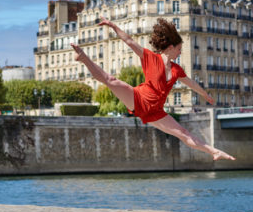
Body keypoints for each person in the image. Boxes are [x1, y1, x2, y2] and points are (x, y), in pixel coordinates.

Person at [71, 16, 235, 161]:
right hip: (138, 99)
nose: (179, 53)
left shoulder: (177, 69)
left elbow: (191, 83)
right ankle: (83, 57)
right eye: (178, 49)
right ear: (170, 47)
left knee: (183, 133)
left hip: (156, 111)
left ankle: (214, 152)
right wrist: (113, 26)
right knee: (111, 80)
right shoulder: (150, 58)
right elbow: (129, 41)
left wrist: (205, 95)